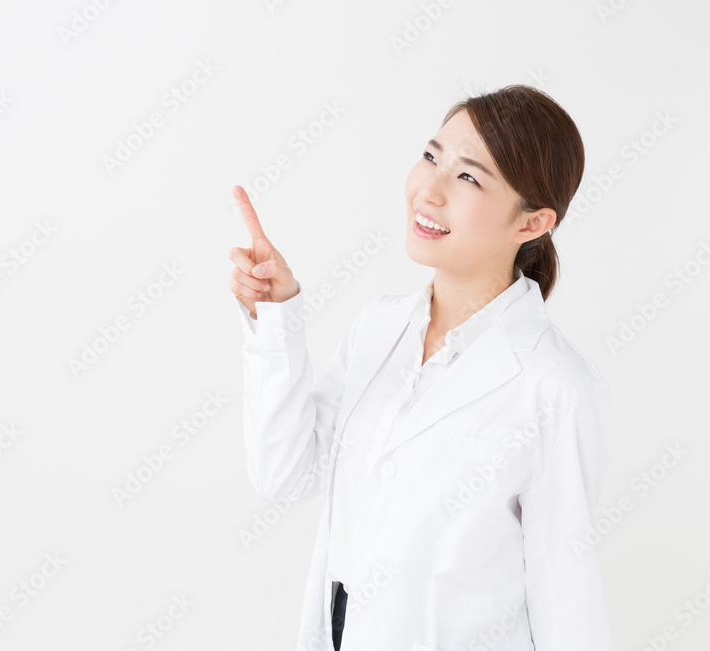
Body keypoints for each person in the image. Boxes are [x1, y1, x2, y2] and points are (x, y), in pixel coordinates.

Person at [228, 85, 614, 651]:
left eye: (468, 178)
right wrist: (276, 318)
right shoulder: (378, 328)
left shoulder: (555, 385)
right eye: (432, 157)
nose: (428, 190)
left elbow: (567, 596)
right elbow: (286, 474)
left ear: (531, 225)